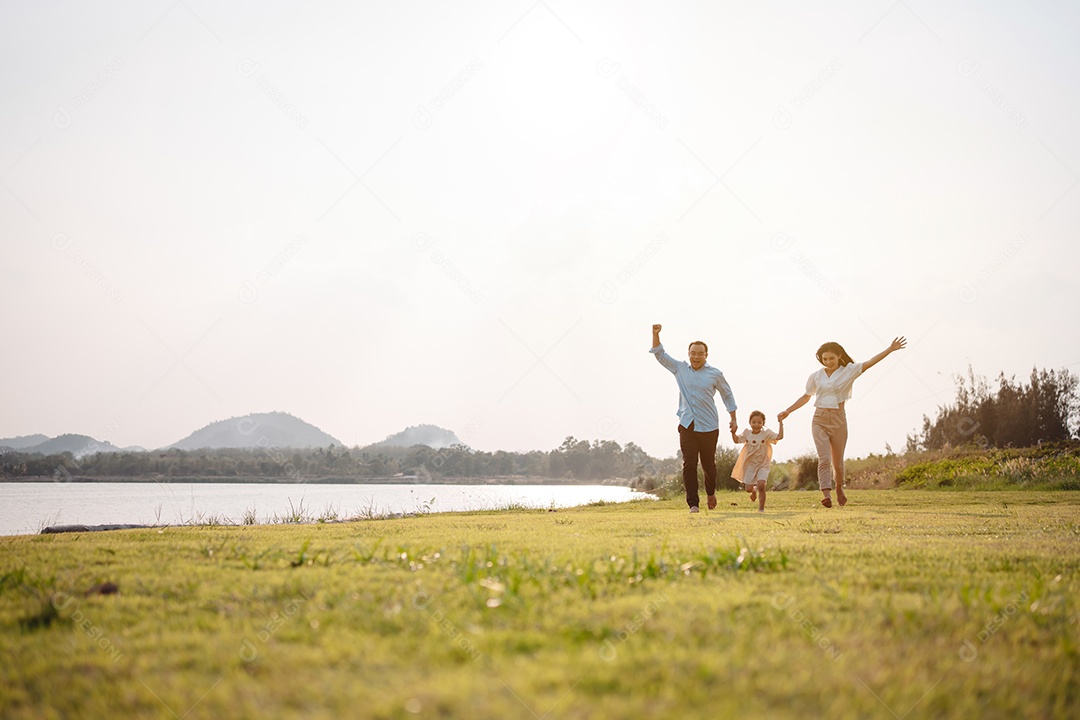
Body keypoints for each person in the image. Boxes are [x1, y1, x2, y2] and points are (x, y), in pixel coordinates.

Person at [777, 337, 907, 507]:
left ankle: (839, 487)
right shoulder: (816, 376)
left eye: (831, 358)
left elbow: (869, 363)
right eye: (824, 359)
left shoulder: (849, 370)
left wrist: (890, 349)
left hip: (839, 420)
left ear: (839, 356)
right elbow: (806, 396)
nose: (828, 362)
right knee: (824, 459)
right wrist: (788, 410)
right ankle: (826, 495)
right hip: (819, 419)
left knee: (837, 464)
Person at [650, 324, 738, 513]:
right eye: (693, 353)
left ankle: (711, 493)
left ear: (706, 355)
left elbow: (727, 396)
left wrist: (733, 418)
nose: (696, 357)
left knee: (708, 466)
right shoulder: (680, 369)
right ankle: (693, 504)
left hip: (709, 426)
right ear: (688, 354)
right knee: (689, 464)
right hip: (687, 424)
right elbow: (660, 355)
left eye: (700, 353)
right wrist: (655, 334)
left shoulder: (715, 374)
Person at [731, 411, 783, 513]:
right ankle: (753, 491)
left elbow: (779, 437)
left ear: (763, 423)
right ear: (750, 422)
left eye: (759, 422)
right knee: (748, 488)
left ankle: (761, 508)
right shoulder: (747, 433)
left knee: (761, 484)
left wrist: (781, 423)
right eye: (754, 422)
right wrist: (733, 432)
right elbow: (736, 440)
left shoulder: (766, 433)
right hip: (750, 464)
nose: (756, 425)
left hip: (763, 464)